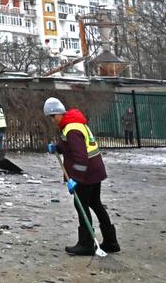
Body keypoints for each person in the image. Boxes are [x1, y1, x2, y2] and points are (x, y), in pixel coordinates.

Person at [44, 97, 120, 256]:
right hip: (95, 170)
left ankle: (86, 244)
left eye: (52, 117)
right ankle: (111, 242)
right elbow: (73, 146)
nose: (52, 121)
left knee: (81, 205)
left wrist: (76, 178)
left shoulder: (71, 129)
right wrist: (57, 147)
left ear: (57, 114)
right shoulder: (74, 123)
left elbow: (81, 156)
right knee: (95, 203)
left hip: (87, 174)